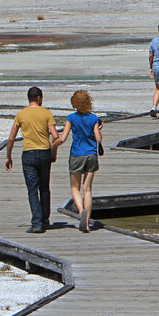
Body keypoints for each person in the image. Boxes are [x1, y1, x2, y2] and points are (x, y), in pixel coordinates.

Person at [5, 86, 59, 233]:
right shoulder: (46, 113)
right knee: (45, 188)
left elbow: (11, 139)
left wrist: (8, 157)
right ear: (39, 98)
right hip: (44, 153)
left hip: (28, 153)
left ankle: (37, 223)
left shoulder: (21, 114)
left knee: (32, 190)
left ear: (29, 98)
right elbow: (56, 136)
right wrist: (53, 151)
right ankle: (45, 219)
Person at [52, 90, 102, 233]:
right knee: (88, 189)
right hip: (91, 155)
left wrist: (53, 147)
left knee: (75, 188)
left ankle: (80, 211)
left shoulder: (71, 118)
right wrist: (98, 129)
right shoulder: (93, 118)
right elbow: (98, 139)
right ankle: (86, 223)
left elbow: (63, 138)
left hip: (76, 155)